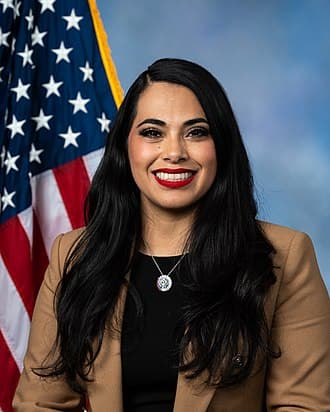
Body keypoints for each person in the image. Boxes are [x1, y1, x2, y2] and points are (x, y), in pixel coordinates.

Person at [13, 58, 329, 411]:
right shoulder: (75, 256)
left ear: (221, 147)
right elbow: (40, 404)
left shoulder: (285, 256)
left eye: (196, 132)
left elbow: (304, 406)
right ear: (126, 146)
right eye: (153, 132)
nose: (174, 152)